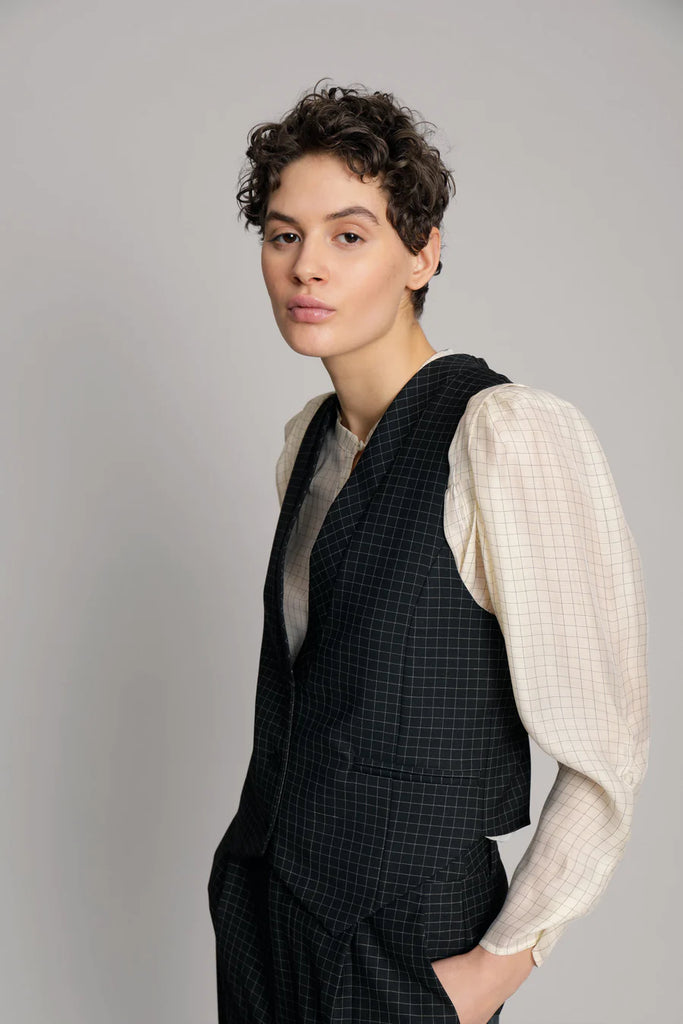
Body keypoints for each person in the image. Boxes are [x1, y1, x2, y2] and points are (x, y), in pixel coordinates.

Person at [207, 82, 650, 1024]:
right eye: (283, 235)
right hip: (265, 918)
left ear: (422, 255)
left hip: (405, 944)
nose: (306, 267)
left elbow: (606, 753)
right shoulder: (308, 442)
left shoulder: (506, 435)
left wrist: (487, 976)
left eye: (348, 235)